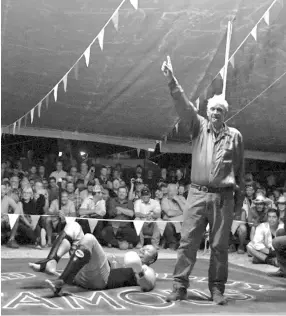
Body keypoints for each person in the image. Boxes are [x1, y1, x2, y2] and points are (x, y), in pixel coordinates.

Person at [161, 56, 244, 305]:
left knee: (219, 246)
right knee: (187, 242)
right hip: (197, 194)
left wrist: (237, 206)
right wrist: (172, 82)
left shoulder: (235, 136)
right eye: (212, 109)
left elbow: (240, 171)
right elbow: (184, 107)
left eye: (220, 110)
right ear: (207, 111)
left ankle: (217, 290)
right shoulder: (198, 126)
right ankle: (179, 287)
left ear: (225, 113)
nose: (216, 113)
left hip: (223, 198)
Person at [28, 221, 157, 295]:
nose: (143, 249)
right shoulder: (126, 259)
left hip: (101, 281)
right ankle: (51, 261)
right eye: (144, 247)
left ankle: (60, 283)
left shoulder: (145, 269)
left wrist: (138, 269)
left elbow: (148, 285)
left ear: (151, 260)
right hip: (83, 274)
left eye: (147, 251)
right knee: (74, 227)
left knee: (89, 238)